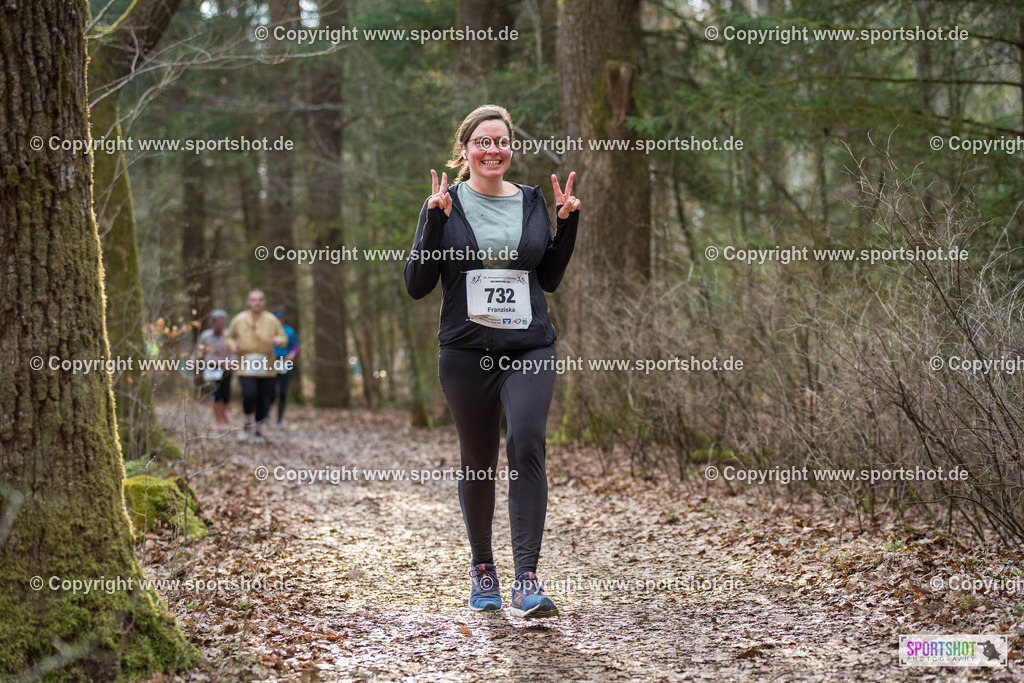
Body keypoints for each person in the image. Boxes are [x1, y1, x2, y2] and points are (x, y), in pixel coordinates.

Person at [405, 104, 580, 618]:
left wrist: (567, 225)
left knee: (526, 441)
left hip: (529, 347)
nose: (493, 150)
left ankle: (527, 578)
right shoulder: (443, 205)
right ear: (465, 149)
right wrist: (433, 224)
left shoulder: (530, 201)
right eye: (482, 141)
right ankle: (483, 567)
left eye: (501, 141)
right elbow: (417, 285)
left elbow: (546, 277)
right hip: (465, 352)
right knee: (478, 460)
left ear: (510, 147)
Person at [225, 289, 287, 443]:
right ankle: (247, 423)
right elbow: (229, 337)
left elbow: (283, 337)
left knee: (263, 399)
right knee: (249, 394)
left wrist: (279, 341)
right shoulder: (239, 319)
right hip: (245, 363)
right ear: (249, 301)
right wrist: (233, 346)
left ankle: (258, 431)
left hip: (266, 365)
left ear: (264, 302)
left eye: (260, 300)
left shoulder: (272, 320)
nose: (257, 303)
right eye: (253, 300)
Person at [193, 309, 233, 429]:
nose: (220, 323)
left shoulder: (229, 335)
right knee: (216, 395)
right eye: (217, 321)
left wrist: (231, 363)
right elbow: (198, 351)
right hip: (212, 368)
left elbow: (234, 352)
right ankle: (218, 420)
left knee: (226, 396)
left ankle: (224, 411)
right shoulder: (205, 336)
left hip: (227, 369)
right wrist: (192, 362)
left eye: (222, 321)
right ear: (212, 322)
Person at [270, 309, 299, 427]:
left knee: (282, 392)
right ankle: (265, 415)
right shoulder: (269, 331)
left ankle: (279, 419)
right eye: (277, 318)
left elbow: (295, 346)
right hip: (270, 362)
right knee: (270, 391)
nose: (279, 321)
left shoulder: (289, 331)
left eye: (281, 319)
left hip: (284, 361)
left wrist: (292, 354)